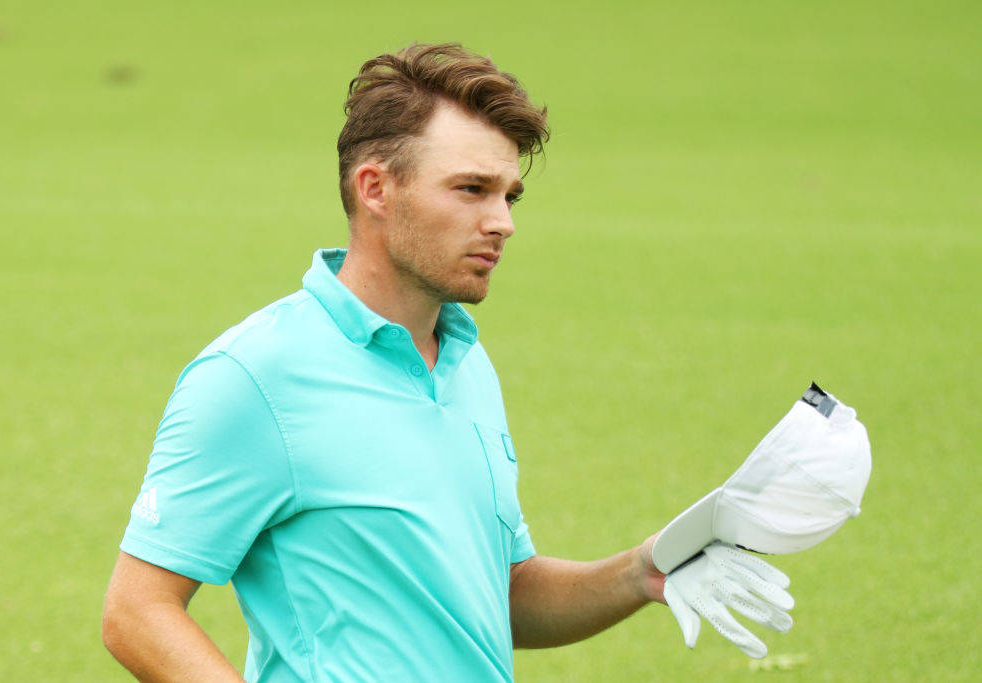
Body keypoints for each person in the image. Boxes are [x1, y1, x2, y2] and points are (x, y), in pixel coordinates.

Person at [102, 43, 792, 682]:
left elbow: (500, 592)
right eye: (471, 190)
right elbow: (137, 610)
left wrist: (645, 570)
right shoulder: (255, 376)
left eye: (509, 195)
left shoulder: (465, 363)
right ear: (375, 189)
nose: (504, 222)